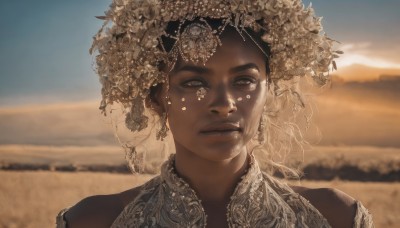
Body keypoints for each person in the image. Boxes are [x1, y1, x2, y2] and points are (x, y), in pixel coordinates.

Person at [57, 0, 374, 227]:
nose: (224, 103)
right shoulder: (95, 220)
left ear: (269, 90)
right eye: (194, 82)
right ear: (157, 96)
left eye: (244, 81)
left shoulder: (335, 217)